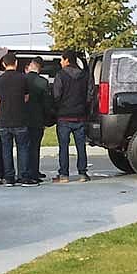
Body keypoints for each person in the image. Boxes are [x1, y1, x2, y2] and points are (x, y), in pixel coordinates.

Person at [0, 53, 38, 187]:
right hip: (20, 119)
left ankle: (9, 178)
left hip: (4, 119)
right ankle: (24, 177)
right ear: (16, 63)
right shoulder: (22, 78)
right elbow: (26, 97)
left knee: (6, 149)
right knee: (23, 148)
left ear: (3, 64)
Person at [52, 50, 91, 183]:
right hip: (80, 116)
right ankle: (83, 174)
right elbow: (89, 95)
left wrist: (57, 108)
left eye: (62, 60)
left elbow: (56, 95)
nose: (61, 62)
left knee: (63, 147)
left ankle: (64, 175)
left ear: (67, 60)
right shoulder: (85, 75)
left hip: (64, 117)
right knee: (81, 146)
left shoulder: (61, 75)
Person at [24, 57, 50, 182]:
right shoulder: (43, 82)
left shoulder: (22, 80)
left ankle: (25, 171)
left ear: (30, 66)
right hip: (37, 119)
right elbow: (46, 104)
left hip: (23, 118)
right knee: (35, 147)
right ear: (40, 68)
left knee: (24, 147)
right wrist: (47, 120)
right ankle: (34, 171)